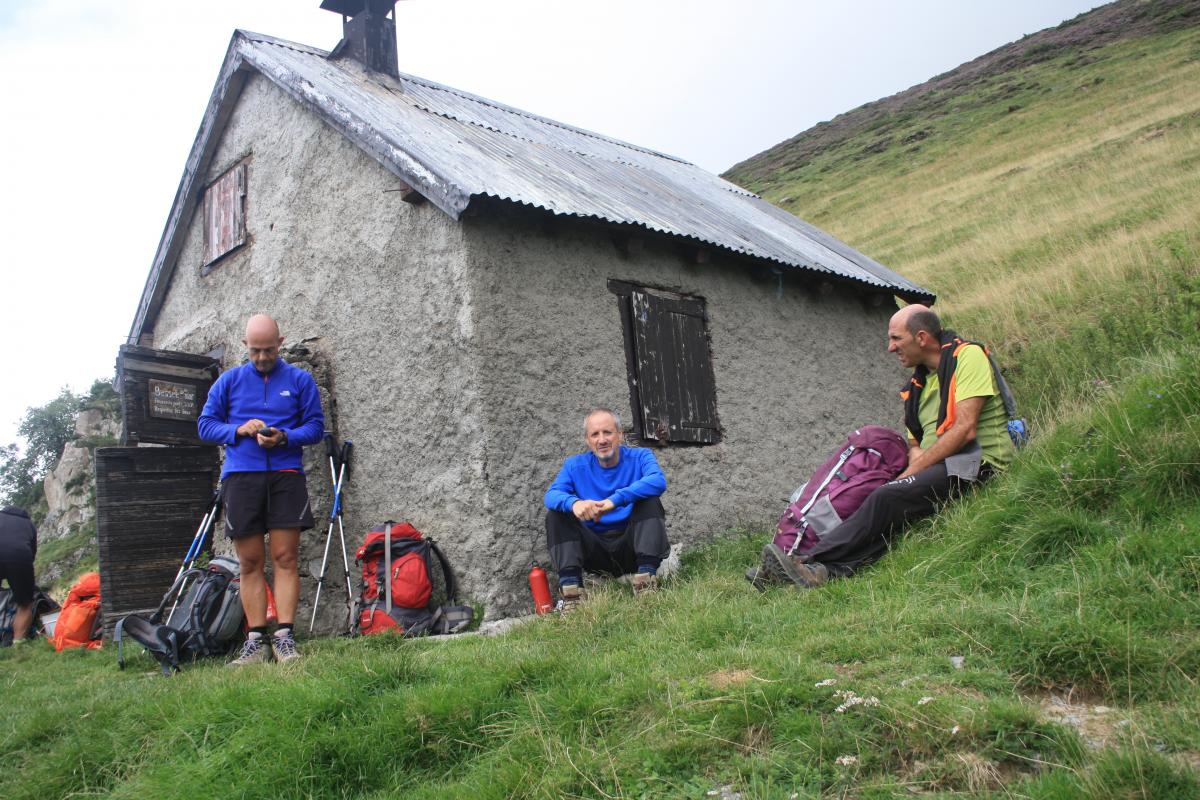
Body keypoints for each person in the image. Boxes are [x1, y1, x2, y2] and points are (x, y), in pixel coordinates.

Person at [761, 304, 1014, 588]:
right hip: (942, 464)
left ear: (921, 338)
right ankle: (823, 571)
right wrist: (914, 463)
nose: (890, 348)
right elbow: (914, 443)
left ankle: (801, 561)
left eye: (896, 338)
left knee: (886, 497)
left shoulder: (968, 356)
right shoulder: (918, 384)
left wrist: (912, 471)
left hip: (978, 462)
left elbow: (965, 430)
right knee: (873, 496)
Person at [198, 314, 324, 664]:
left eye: (268, 350)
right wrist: (238, 430)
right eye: (255, 351)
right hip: (241, 478)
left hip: (286, 474)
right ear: (245, 346)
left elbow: (315, 427)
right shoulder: (228, 381)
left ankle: (284, 637)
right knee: (250, 561)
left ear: (280, 343)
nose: (262, 358)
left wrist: (285, 436)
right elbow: (205, 426)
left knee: (285, 558)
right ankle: (256, 641)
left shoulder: (300, 380)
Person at [543, 408, 670, 611]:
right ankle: (573, 596)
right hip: (595, 550)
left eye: (607, 432)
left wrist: (616, 500)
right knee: (556, 515)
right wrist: (574, 504)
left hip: (632, 548)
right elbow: (551, 495)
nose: (602, 440)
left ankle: (646, 584)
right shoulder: (575, 465)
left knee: (650, 500)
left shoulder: (640, 456)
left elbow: (657, 481)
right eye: (595, 434)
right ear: (587, 440)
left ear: (620, 435)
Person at [0, 505, 38, 643]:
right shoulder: (29, 524)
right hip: (19, 558)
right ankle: (18, 644)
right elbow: (32, 555)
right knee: (25, 603)